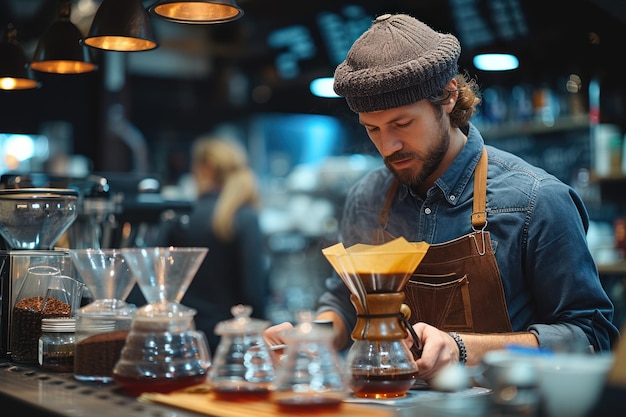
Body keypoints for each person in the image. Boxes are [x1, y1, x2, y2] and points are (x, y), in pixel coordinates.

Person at [264, 13, 619, 382]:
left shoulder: (536, 200)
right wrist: (310, 338)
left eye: (403, 124)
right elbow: (345, 302)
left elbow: (591, 337)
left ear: (449, 96)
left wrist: (463, 349)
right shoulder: (367, 198)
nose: (389, 146)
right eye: (373, 129)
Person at [161, 136, 269, 353]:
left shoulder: (181, 217)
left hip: (184, 338)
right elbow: (253, 291)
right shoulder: (244, 217)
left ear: (206, 169)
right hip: (231, 341)